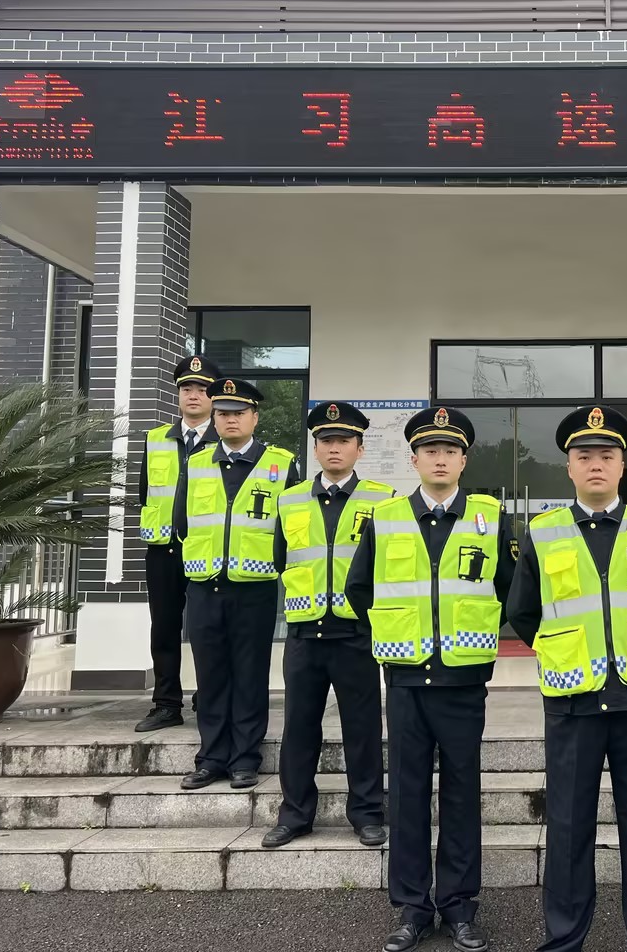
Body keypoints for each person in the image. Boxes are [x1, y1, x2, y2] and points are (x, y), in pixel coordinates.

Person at [506, 405, 627, 952]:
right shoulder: (543, 532)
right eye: (584, 455)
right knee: (568, 829)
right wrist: (565, 649)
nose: (596, 464)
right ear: (568, 466)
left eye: (606, 455)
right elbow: (523, 612)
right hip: (573, 703)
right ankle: (565, 940)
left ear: (622, 465)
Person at [349, 406, 518, 952]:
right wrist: (393, 637)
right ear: (414, 459)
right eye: (430, 451)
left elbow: (514, 589)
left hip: (463, 681)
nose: (440, 459)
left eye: (450, 451)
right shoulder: (386, 518)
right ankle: (413, 908)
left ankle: (460, 906)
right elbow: (359, 588)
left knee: (462, 795)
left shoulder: (491, 518)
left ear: (464, 460)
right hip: (405, 680)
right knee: (407, 796)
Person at [261, 402, 397, 850]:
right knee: (299, 729)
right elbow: (281, 559)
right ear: (315, 448)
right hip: (304, 635)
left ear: (360, 448)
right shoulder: (289, 499)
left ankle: (367, 814)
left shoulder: (384, 501)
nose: (334, 448)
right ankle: (295, 815)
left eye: (344, 440)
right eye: (326, 441)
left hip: (356, 634)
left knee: (362, 729)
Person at [178, 377, 299, 791]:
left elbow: (292, 529)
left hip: (254, 589)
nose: (231, 420)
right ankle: (211, 757)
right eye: (223, 413)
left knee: (249, 674)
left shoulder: (281, 465)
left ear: (255, 417)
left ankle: (245, 757)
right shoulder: (197, 464)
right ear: (214, 418)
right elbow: (181, 522)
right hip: (204, 586)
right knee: (210, 675)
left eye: (239, 413)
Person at [133, 354, 221, 733]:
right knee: (164, 627)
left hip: (207, 548)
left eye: (202, 389)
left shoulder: (225, 442)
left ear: (214, 397)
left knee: (207, 628)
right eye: (187, 388)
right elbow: (145, 493)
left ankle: (209, 696)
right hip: (164, 549)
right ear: (178, 394)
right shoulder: (156, 440)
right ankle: (166, 703)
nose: (194, 395)